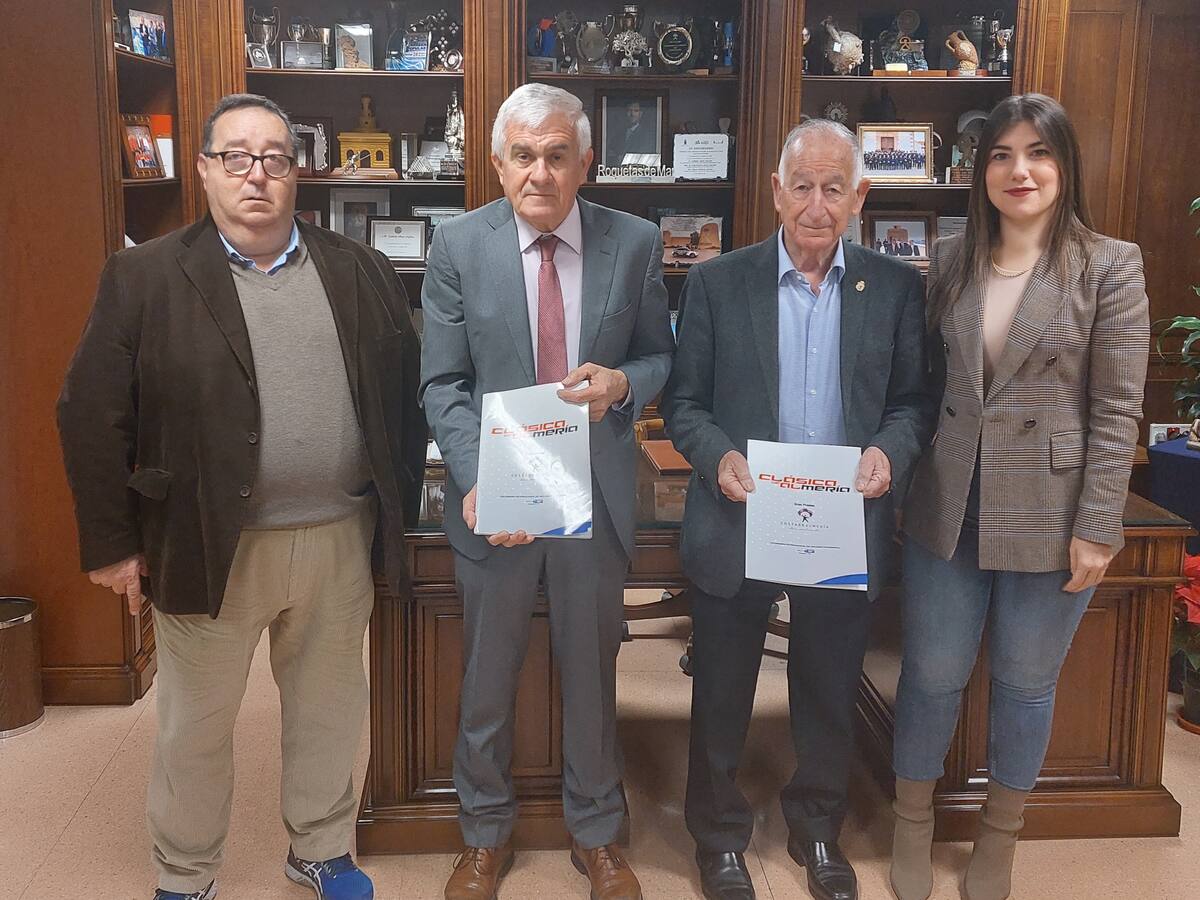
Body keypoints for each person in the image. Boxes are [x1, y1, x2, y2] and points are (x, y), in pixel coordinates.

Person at [57, 93, 425, 900]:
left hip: (338, 536)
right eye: (237, 157)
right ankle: (186, 872)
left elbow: (403, 394)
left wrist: (399, 508)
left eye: (275, 159)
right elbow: (90, 413)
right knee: (196, 724)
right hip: (204, 539)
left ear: (297, 172)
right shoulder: (144, 276)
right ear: (204, 169)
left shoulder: (359, 268)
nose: (256, 175)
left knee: (329, 708)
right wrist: (114, 544)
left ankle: (320, 849)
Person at [661, 118, 937, 900]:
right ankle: (719, 838)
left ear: (860, 196)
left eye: (834, 188)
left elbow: (913, 403)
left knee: (827, 687)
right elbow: (684, 403)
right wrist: (718, 455)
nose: (818, 205)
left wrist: (890, 450)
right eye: (804, 187)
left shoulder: (894, 288)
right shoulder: (719, 282)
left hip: (842, 524)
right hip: (740, 516)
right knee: (721, 689)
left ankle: (817, 828)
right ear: (777, 191)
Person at [888, 93, 1149, 900]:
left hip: (1052, 508)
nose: (1019, 170)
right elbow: (927, 387)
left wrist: (1099, 524)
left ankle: (1000, 835)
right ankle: (910, 821)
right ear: (981, 171)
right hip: (950, 501)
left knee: (1026, 682)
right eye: (1001, 154)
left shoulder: (1110, 265)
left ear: (1065, 165)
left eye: (1038, 152)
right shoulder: (951, 257)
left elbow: (1118, 408)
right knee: (931, 672)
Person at [420, 82, 673, 900]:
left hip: (591, 493)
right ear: (498, 163)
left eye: (558, 155)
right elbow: (443, 384)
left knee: (592, 674)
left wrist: (625, 384)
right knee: (488, 676)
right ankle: (482, 835)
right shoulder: (459, 246)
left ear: (585, 162)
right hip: (497, 499)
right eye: (524, 155)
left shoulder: (635, 243)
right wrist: (477, 479)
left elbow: (660, 356)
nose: (540, 172)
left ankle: (596, 834)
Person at [614, 98, 657, 164]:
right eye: (629, 110)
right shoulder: (619, 134)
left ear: (640, 114)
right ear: (625, 113)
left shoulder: (647, 135)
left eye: (636, 111)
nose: (632, 114)